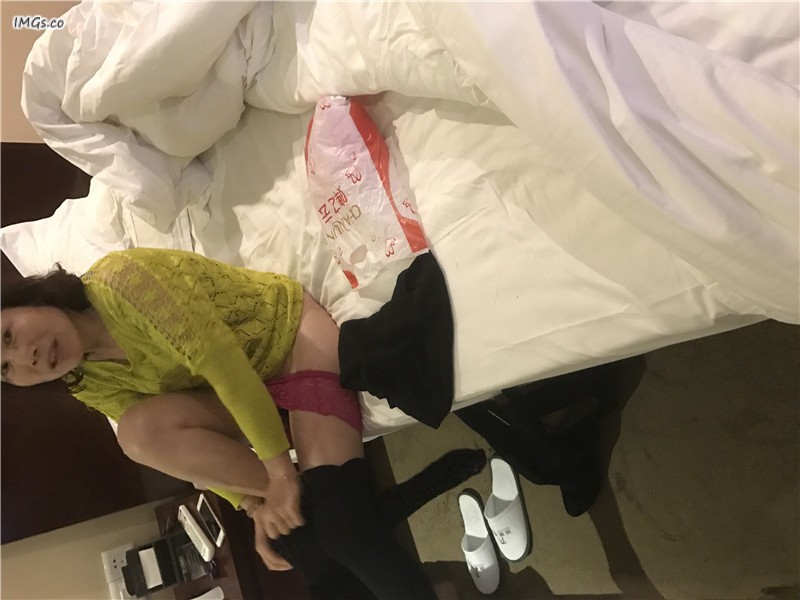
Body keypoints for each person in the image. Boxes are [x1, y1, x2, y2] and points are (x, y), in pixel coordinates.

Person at [0, 247, 449, 599]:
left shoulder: (124, 282)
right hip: (240, 403)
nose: (27, 358)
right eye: (5, 369)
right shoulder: (84, 380)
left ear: (29, 300)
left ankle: (410, 538)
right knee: (139, 436)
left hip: (288, 346)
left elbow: (229, 371)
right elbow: (172, 444)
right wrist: (253, 504)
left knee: (341, 531)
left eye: (7, 335)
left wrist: (280, 474)